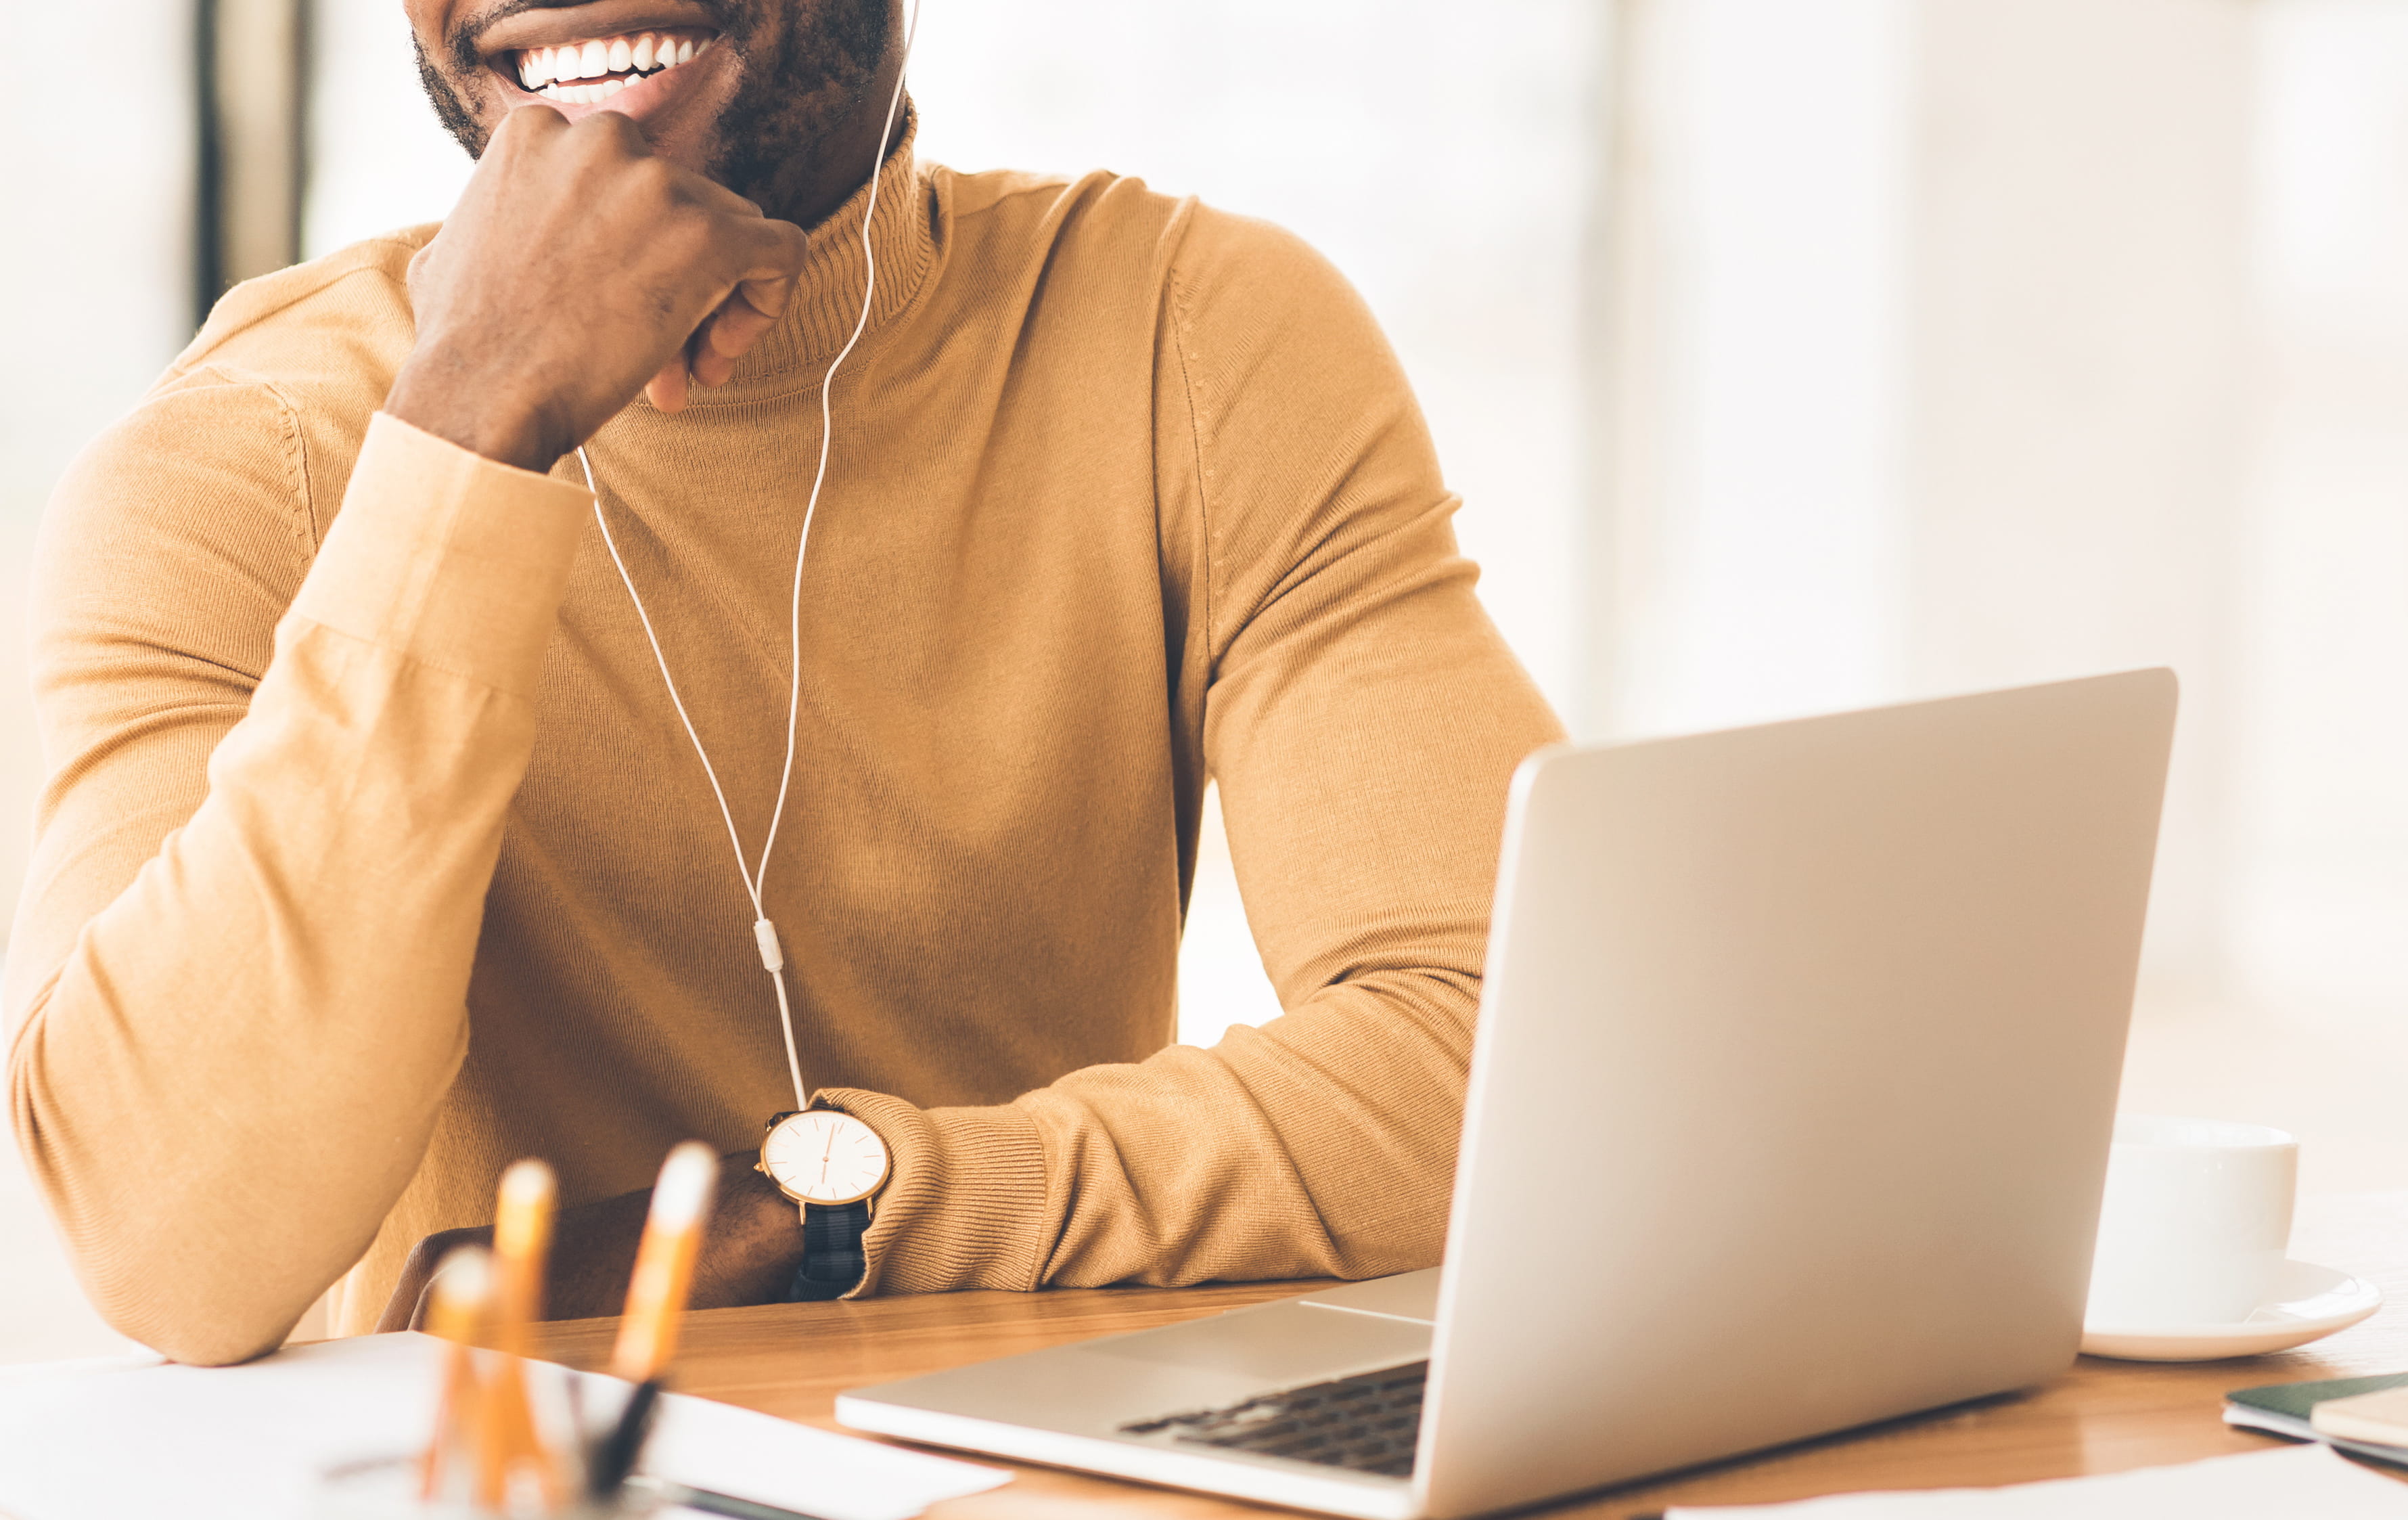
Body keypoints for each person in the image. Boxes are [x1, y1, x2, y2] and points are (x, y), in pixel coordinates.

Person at [3, 0, 1562, 1367]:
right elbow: (167, 1249)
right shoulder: (232, 465)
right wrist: (473, 429)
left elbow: (1512, 1067)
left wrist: (832, 1211)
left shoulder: (1186, 333)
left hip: (1046, 1480)